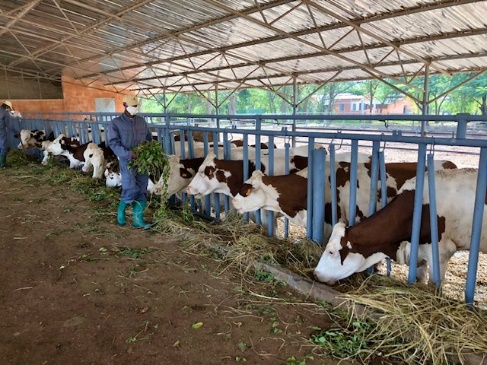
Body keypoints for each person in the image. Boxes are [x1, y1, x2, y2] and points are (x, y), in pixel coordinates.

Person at [107, 95, 153, 229]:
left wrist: (149, 151)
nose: (136, 108)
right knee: (130, 186)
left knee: (142, 187)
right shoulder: (115, 123)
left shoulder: (141, 121)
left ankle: (137, 219)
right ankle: (121, 211)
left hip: (142, 160)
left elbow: (149, 138)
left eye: (137, 106)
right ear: (125, 105)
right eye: (133, 106)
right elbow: (113, 143)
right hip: (127, 160)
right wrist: (128, 153)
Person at [0, 100, 19, 168]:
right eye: (9, 108)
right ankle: (2, 165)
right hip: (1, 131)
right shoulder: (5, 113)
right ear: (7, 107)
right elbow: (9, 125)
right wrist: (16, 132)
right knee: (3, 146)